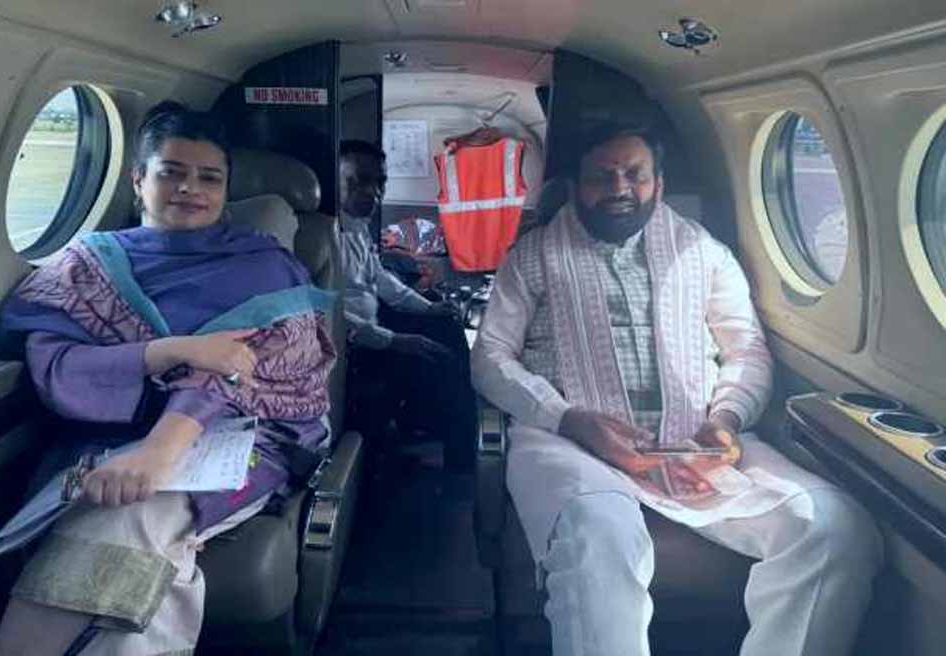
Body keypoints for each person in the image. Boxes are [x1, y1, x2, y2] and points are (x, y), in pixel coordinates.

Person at [470, 123, 883, 656]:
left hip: (696, 439)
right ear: (574, 186)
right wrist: (568, 418)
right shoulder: (533, 256)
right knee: (599, 530)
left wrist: (726, 419)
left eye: (635, 174)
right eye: (602, 177)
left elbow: (746, 350)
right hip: (569, 438)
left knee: (834, 529)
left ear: (658, 183)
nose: (620, 188)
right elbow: (490, 357)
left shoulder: (703, 253)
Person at [0, 101, 336, 656]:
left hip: (240, 439)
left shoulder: (264, 265)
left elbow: (252, 371)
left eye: (209, 178)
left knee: (128, 520)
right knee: (120, 529)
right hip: (105, 437)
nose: (189, 189)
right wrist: (170, 351)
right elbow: (57, 364)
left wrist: (160, 451)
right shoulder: (84, 264)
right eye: (171, 172)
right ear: (138, 180)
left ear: (225, 190)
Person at [338, 140, 476, 471]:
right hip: (352, 347)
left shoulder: (357, 228)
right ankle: (453, 454)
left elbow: (380, 279)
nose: (373, 192)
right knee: (436, 358)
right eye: (359, 181)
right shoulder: (326, 235)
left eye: (379, 182)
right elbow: (336, 320)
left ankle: (454, 445)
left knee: (445, 324)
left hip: (373, 331)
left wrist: (427, 308)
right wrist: (394, 340)